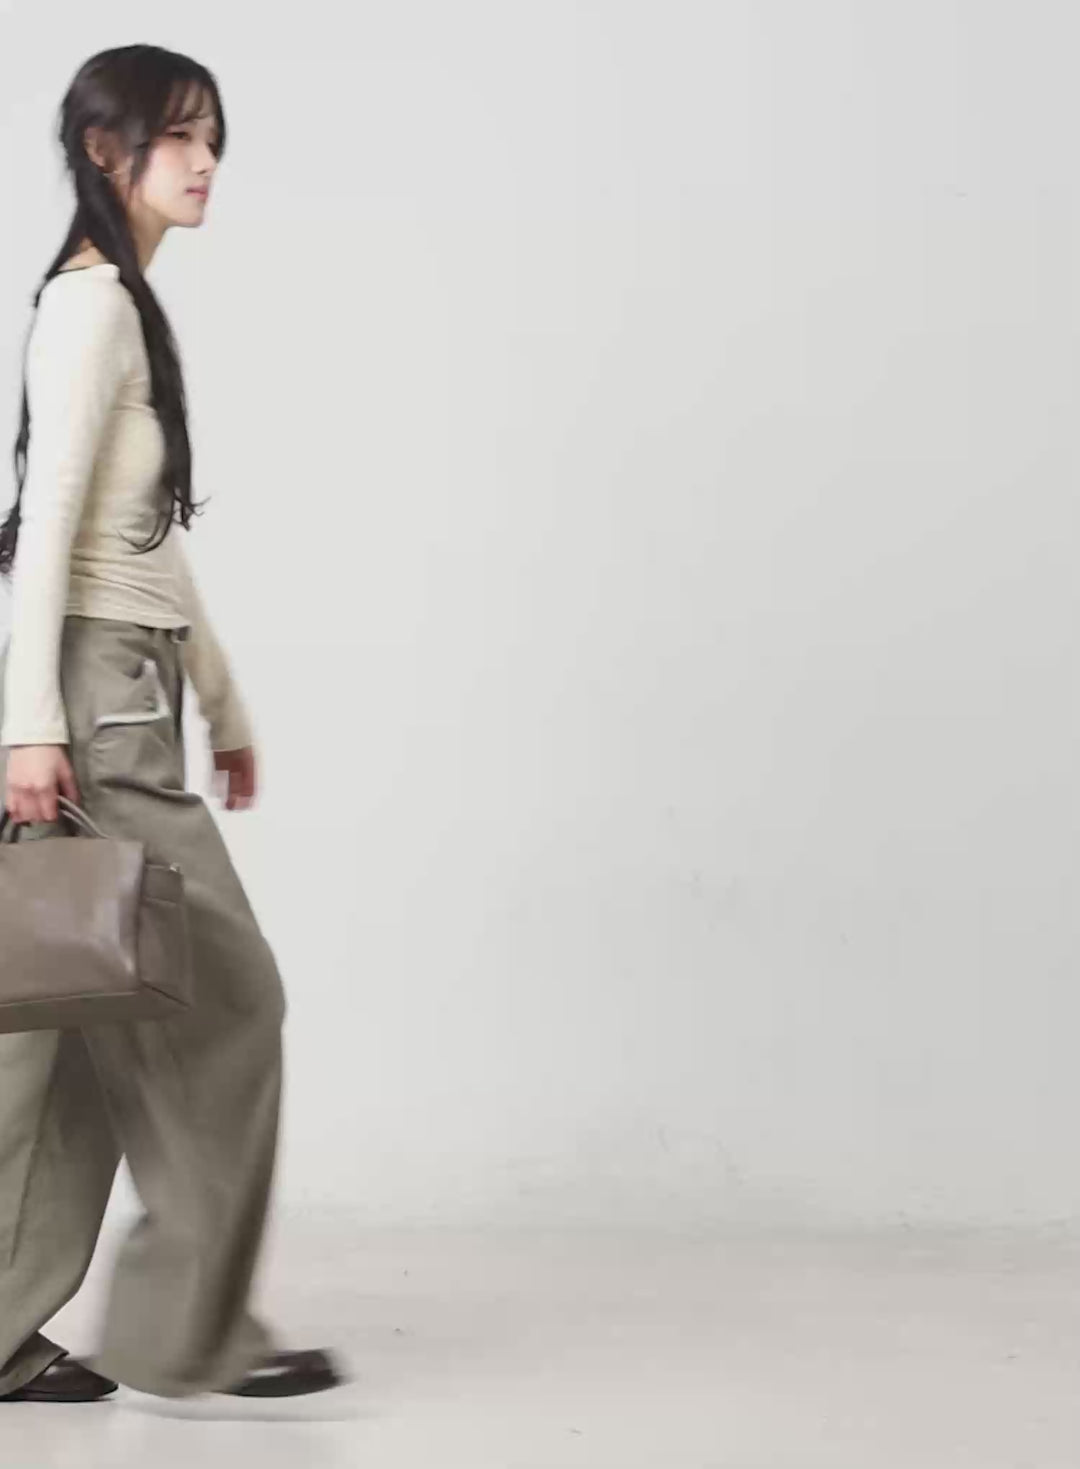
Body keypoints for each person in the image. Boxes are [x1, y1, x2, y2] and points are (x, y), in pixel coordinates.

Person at [0, 45, 344, 1402]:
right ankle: (189, 1330)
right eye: (179, 138)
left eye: (214, 139)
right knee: (226, 1001)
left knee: (65, 1022)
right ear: (106, 152)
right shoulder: (92, 308)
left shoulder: (122, 305)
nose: (206, 163)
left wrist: (226, 702)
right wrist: (29, 726)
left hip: (118, 687)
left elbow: (140, 541)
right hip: (93, 702)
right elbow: (44, 532)